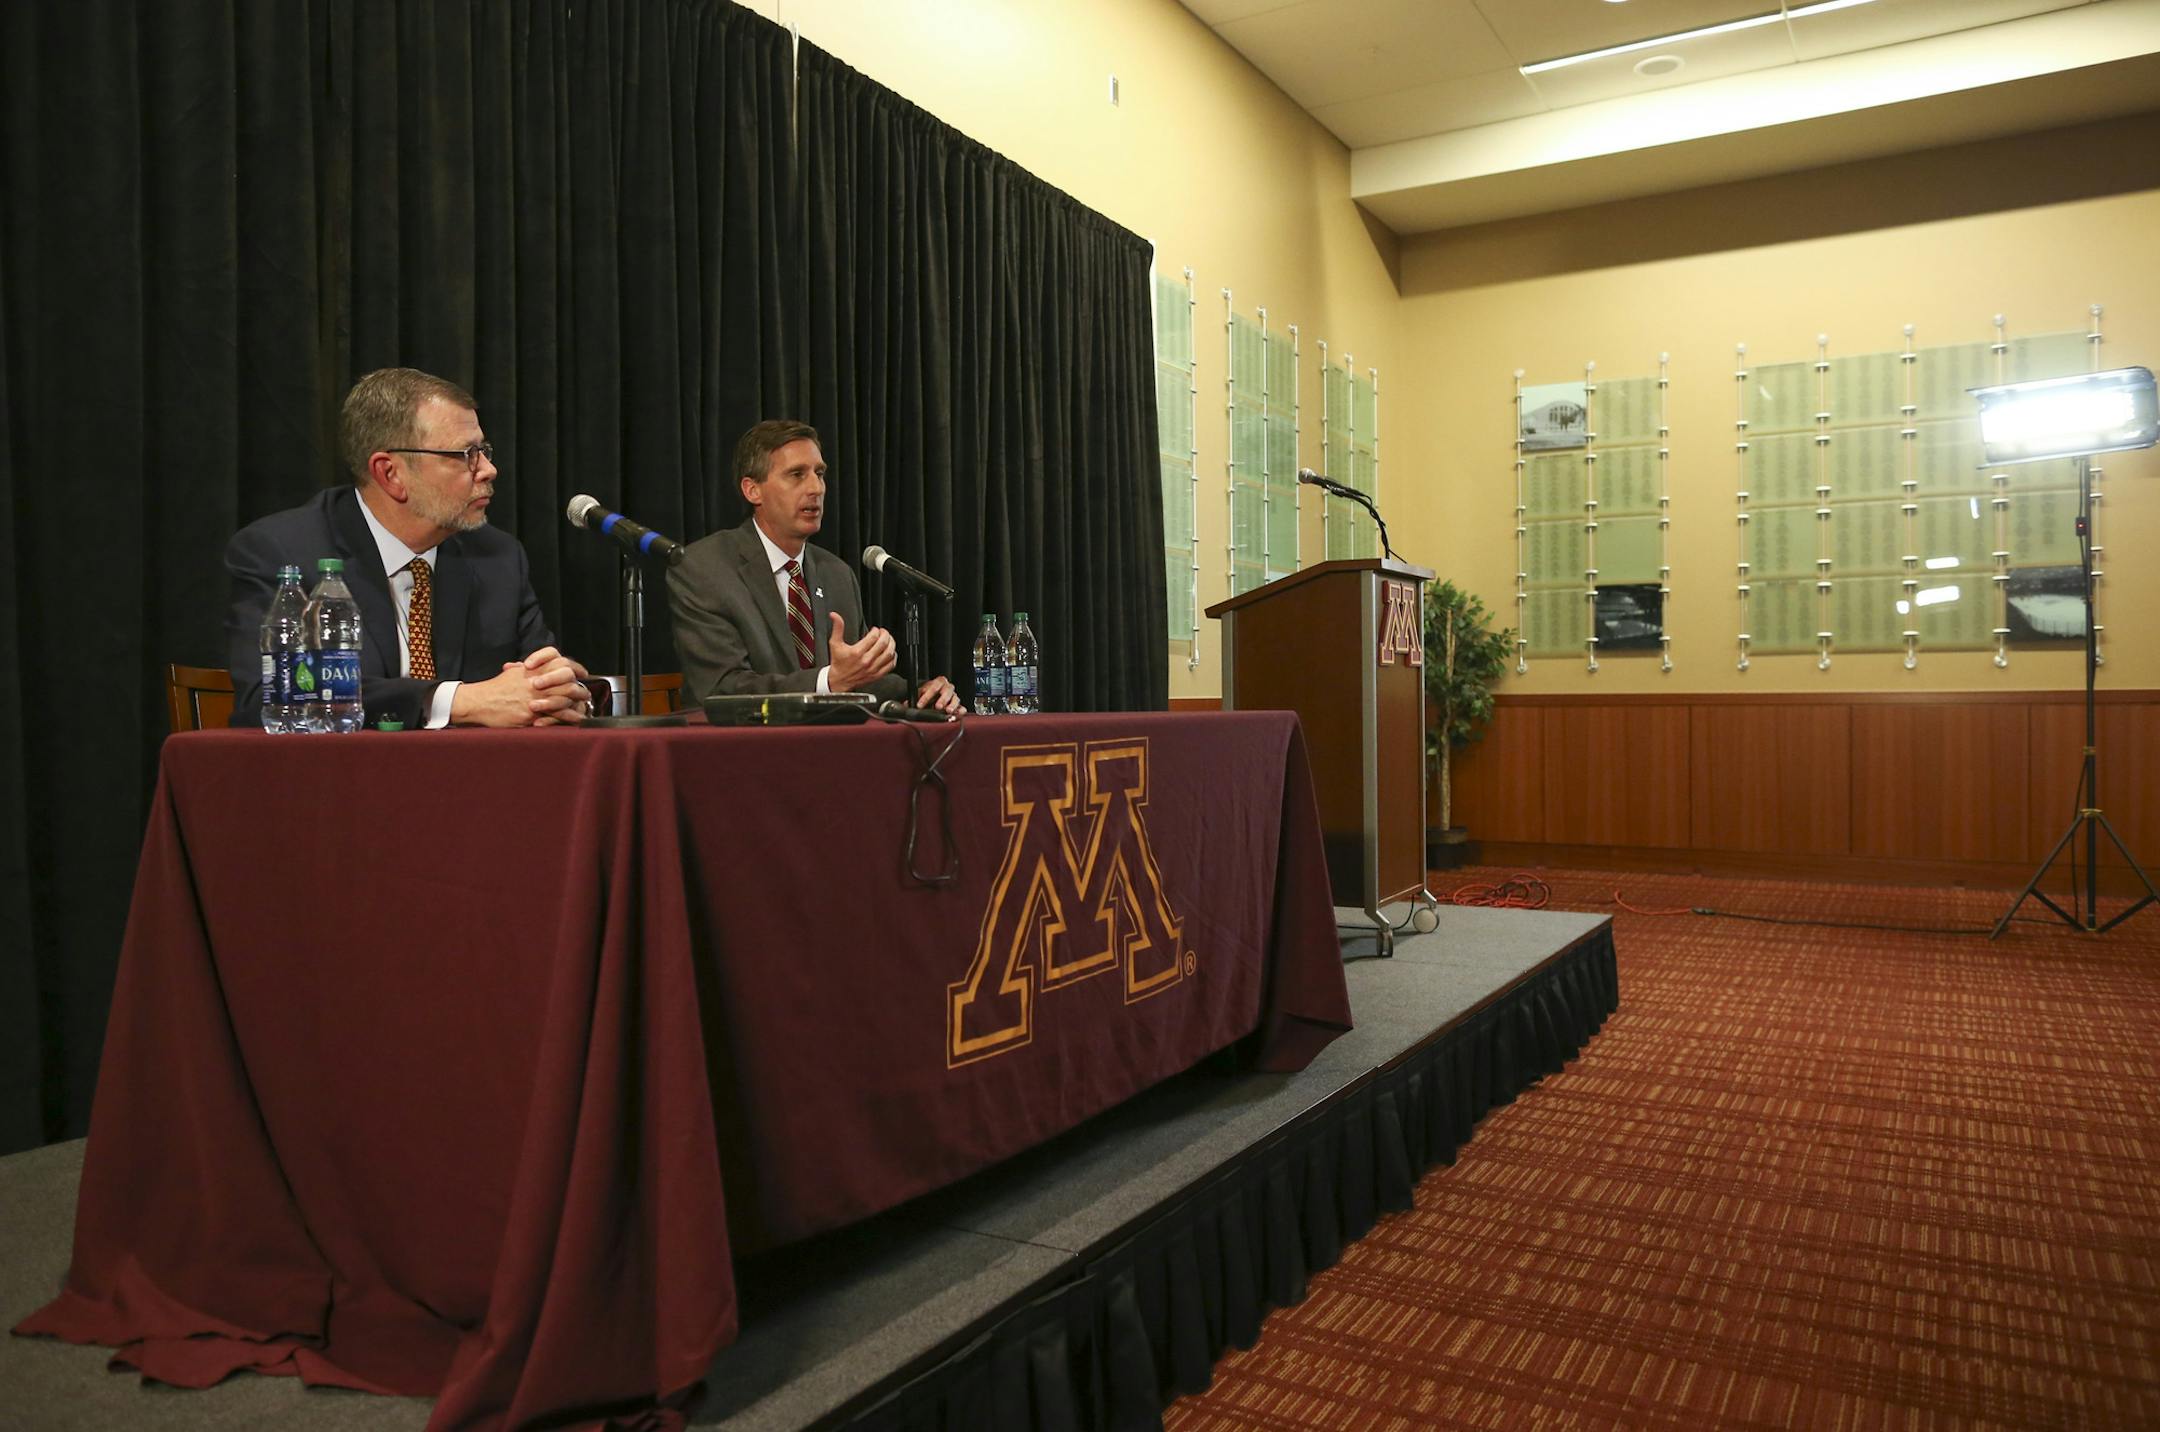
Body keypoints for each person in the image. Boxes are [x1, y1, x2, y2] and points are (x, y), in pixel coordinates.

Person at [224, 367, 591, 729]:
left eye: (485, 450)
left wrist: (557, 690)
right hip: (342, 781)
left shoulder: (498, 558)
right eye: (466, 454)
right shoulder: (282, 552)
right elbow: (270, 695)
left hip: (474, 780)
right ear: (390, 473)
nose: (489, 469)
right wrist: (455, 701)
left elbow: (535, 683)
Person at [668, 420, 964, 714]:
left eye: (819, 474)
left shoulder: (836, 574)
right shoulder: (703, 568)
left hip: (830, 747)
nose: (816, 488)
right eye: (797, 475)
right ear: (752, 490)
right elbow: (723, 689)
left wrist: (922, 692)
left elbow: (860, 683)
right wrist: (828, 681)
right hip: (737, 750)